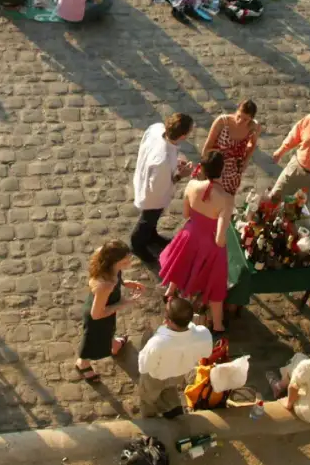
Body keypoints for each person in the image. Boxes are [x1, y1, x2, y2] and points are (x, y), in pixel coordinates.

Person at [158, 152, 234, 336]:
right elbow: (219, 239)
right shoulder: (226, 198)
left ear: (203, 169)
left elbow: (186, 214)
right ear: (222, 170)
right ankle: (218, 325)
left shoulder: (192, 185)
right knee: (215, 284)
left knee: (181, 263)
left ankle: (170, 291)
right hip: (209, 245)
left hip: (190, 235)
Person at [75, 240, 144, 382]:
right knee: (92, 339)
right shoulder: (105, 285)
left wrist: (127, 283)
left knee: (108, 330)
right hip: (98, 317)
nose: (129, 263)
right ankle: (82, 363)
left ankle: (114, 345)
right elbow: (96, 315)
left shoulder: (104, 257)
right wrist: (122, 303)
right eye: (125, 262)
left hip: (104, 308)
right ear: (113, 262)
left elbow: (116, 276)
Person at [131, 113, 195, 266]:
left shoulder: (157, 129)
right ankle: (137, 244)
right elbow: (158, 188)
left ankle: (151, 236)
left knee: (151, 220)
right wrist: (180, 175)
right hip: (153, 198)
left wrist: (175, 163)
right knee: (148, 219)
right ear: (183, 136)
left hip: (146, 176)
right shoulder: (162, 162)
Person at [137, 297, 214, 418]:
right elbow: (207, 353)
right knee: (170, 387)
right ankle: (172, 408)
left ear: (167, 321)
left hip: (155, 378)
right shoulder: (203, 335)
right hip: (178, 374)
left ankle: (150, 419)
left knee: (148, 398)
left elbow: (144, 367)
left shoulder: (157, 343)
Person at [201, 99, 262, 196]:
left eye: (245, 119)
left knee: (227, 199)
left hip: (233, 172)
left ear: (251, 119)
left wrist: (246, 160)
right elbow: (206, 149)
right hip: (216, 169)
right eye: (239, 116)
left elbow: (252, 144)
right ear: (236, 111)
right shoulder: (222, 122)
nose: (240, 121)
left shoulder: (253, 127)